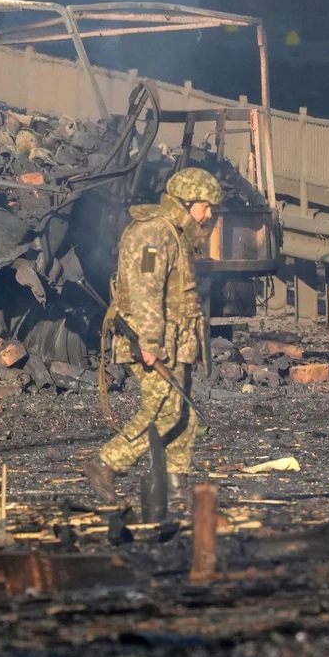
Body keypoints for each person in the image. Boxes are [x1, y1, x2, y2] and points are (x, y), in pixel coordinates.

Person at [85, 167, 222, 510]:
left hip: (175, 342)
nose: (209, 215)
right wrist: (149, 344)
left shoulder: (173, 234)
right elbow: (146, 291)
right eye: (205, 206)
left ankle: (176, 486)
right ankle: (106, 463)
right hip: (153, 342)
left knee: (183, 415)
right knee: (163, 411)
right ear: (185, 202)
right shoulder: (153, 235)